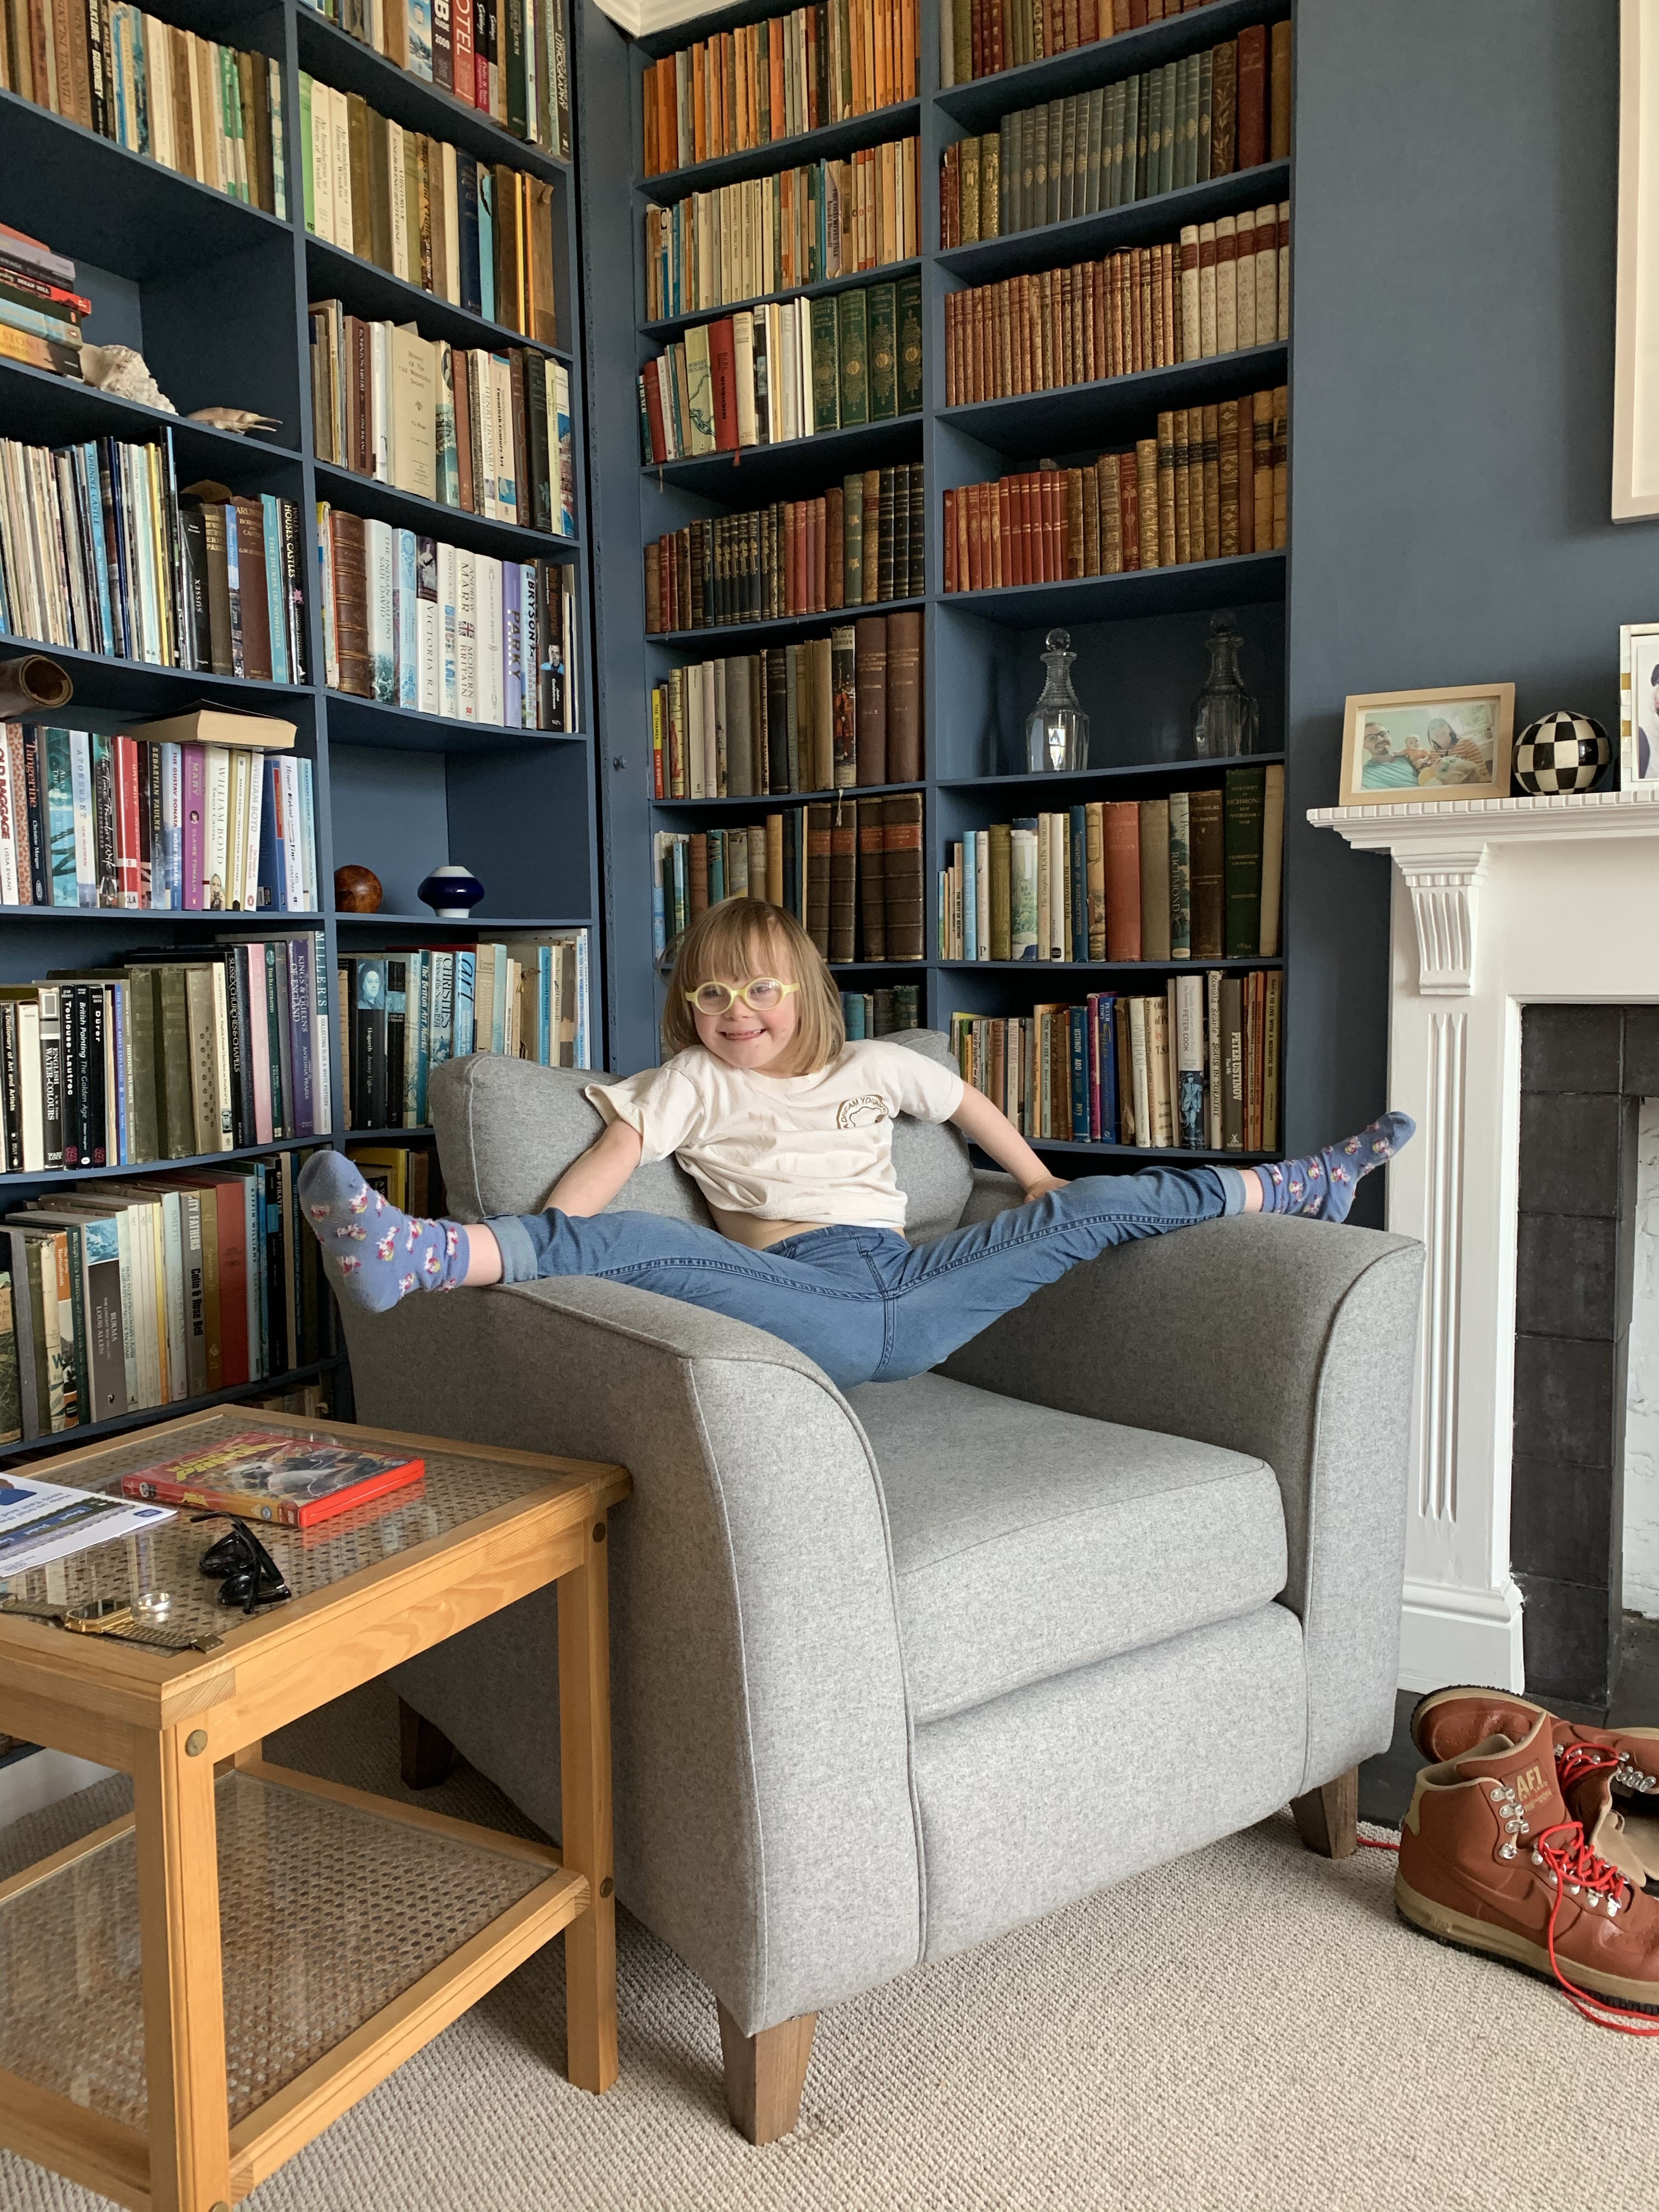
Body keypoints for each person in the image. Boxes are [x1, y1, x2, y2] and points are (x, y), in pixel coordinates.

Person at [300, 900, 1413, 1392]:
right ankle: (432, 1257)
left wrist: (1030, 1182)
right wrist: (557, 1245)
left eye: (764, 989)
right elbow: (608, 1165)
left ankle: (1293, 1185)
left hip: (919, 1287)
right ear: (694, 1006)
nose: (742, 1011)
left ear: (805, 993)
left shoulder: (873, 1066)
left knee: (1096, 1203)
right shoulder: (695, 1080)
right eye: (717, 992)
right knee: (631, 1234)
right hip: (801, 1297)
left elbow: (968, 1103)